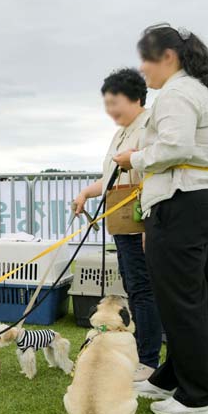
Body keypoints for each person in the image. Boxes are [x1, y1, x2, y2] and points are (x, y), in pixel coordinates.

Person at [114, 24, 208, 414]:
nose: (143, 68)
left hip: (182, 201)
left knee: (181, 301)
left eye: (146, 58)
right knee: (177, 296)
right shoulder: (188, 90)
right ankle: (170, 377)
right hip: (188, 201)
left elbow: (176, 145)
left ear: (168, 57)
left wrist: (135, 159)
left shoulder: (177, 93)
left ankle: (200, 397)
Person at [74, 67, 162, 382]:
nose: (110, 110)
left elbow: (156, 172)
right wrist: (86, 192)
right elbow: (111, 178)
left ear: (135, 98)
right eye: (107, 103)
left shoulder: (151, 125)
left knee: (144, 288)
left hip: (142, 220)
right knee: (133, 285)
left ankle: (149, 358)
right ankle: (143, 351)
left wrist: (149, 229)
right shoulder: (121, 132)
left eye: (115, 102)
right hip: (122, 223)